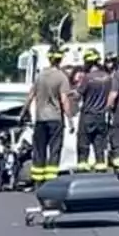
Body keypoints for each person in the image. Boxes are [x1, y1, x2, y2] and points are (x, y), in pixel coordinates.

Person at [23, 45, 73, 186]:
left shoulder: (40, 76)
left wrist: (23, 113)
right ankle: (51, 181)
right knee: (54, 150)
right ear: (60, 59)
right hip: (55, 119)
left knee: (39, 150)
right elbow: (64, 100)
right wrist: (70, 120)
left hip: (40, 119)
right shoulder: (62, 77)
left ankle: (38, 181)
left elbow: (30, 95)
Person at [76, 49, 112, 172]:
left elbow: (78, 95)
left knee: (83, 143)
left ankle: (83, 166)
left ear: (88, 62)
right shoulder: (108, 78)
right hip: (101, 116)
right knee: (99, 144)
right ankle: (101, 166)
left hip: (87, 116)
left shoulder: (87, 78)